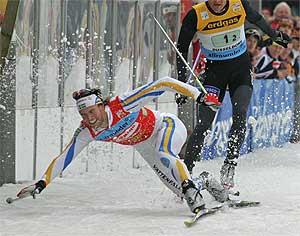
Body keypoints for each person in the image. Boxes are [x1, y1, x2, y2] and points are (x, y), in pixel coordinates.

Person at [16, 76, 229, 214]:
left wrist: (199, 96)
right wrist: (41, 184)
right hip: (145, 147)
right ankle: (202, 181)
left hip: (165, 126)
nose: (89, 118)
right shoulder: (87, 131)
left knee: (165, 153)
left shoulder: (123, 103)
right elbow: (65, 157)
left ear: (101, 105)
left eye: (92, 112)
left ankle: (190, 187)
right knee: (180, 192)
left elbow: (163, 83)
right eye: (83, 114)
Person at [176, 0, 291, 189]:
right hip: (214, 76)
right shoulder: (196, 14)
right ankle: (186, 175)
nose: (218, 2)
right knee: (204, 123)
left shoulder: (238, 4)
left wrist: (274, 35)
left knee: (240, 112)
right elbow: (181, 49)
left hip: (241, 71)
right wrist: (182, 83)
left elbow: (258, 19)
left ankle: (229, 165)